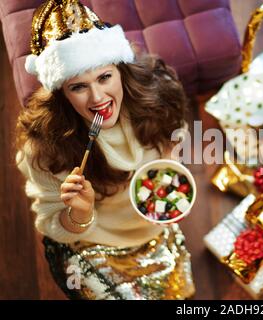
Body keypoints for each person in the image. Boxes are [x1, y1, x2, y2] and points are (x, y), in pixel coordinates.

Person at [15, 0, 194, 300]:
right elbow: (51, 225)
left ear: (120, 71)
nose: (98, 98)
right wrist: (81, 213)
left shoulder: (158, 97)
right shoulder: (43, 148)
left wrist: (170, 159)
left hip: (154, 225)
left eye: (104, 77)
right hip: (94, 244)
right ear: (62, 93)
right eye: (78, 86)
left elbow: (179, 133)